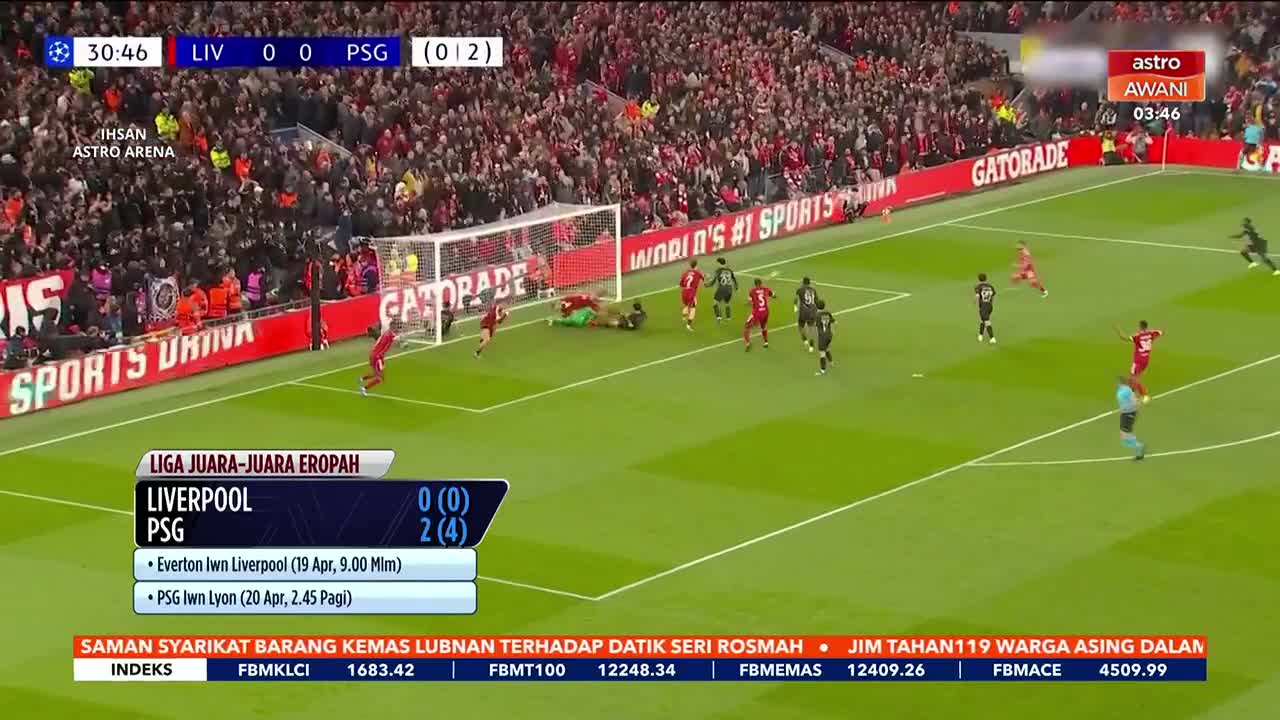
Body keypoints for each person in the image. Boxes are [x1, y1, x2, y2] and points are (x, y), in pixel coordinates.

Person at [1115, 320, 1162, 404]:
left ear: (1140, 326)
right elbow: (1160, 332)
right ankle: (1132, 394)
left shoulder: (1138, 336)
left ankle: (1144, 396)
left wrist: (1117, 329)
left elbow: (1123, 337)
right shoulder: (1151, 333)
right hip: (1146, 359)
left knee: (1134, 379)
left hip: (1138, 360)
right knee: (1131, 378)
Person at [359, 322, 397, 395]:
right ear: (392, 326)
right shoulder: (390, 335)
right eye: (395, 326)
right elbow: (389, 344)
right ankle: (364, 389)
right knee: (380, 378)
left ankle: (362, 378)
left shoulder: (386, 333)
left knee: (376, 374)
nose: (396, 328)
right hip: (377, 357)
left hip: (374, 355)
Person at [1116, 377, 1146, 461]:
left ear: (1120, 383)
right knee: (1123, 434)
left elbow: (1133, 403)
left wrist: (1137, 403)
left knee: (1125, 435)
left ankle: (1139, 447)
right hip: (1125, 414)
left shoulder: (1125, 391)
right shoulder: (1124, 390)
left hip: (1128, 414)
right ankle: (1139, 447)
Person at [743, 278, 774, 351]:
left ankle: (748, 343)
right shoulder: (766, 289)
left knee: (746, 326)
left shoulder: (752, 291)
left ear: (755, 284)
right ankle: (766, 342)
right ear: (761, 283)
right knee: (763, 326)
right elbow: (773, 295)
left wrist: (747, 304)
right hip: (766, 312)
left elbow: (750, 302)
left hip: (757, 313)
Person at [706, 257, 738, 322]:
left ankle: (718, 317)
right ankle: (728, 318)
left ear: (719, 263)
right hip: (729, 288)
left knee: (715, 303)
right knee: (727, 303)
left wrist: (707, 285)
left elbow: (714, 281)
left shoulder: (718, 271)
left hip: (722, 288)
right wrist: (736, 287)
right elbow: (734, 279)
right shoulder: (729, 270)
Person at [794, 276, 819, 351]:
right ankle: (811, 346)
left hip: (804, 312)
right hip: (812, 311)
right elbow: (816, 300)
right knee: (811, 328)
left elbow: (796, 299)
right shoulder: (813, 290)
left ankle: (805, 340)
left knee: (800, 326)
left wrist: (795, 306)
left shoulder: (800, 289)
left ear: (803, 282)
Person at [679, 259, 705, 331]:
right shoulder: (698, 273)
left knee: (686, 305)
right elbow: (704, 280)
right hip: (691, 291)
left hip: (684, 291)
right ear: (696, 265)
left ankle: (684, 317)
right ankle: (688, 325)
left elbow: (681, 284)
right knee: (693, 308)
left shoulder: (685, 273)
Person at [815, 300, 835, 375]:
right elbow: (834, 322)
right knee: (827, 348)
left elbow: (816, 326)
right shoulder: (828, 313)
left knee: (822, 353)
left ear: (817, 306)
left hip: (822, 336)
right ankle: (831, 362)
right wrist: (833, 331)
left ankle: (822, 370)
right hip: (829, 335)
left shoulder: (817, 315)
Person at [975, 272, 997, 344]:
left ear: (978, 279)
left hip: (983, 306)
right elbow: (993, 296)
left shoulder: (978, 287)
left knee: (987, 322)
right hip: (989, 306)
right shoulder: (990, 286)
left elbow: (977, 297)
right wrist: (990, 305)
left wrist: (978, 306)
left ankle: (992, 338)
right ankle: (980, 335)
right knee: (983, 320)